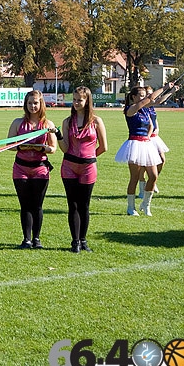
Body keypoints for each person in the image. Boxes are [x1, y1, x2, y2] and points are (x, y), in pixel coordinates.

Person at [58, 87, 107, 253]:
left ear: (88, 101)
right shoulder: (67, 121)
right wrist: (59, 136)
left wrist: (89, 158)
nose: (77, 103)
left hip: (88, 167)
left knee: (84, 205)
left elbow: (103, 147)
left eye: (80, 100)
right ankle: (75, 241)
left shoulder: (96, 121)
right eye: (74, 99)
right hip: (69, 166)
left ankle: (83, 240)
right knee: (73, 205)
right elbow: (65, 148)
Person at [7, 90, 57, 249]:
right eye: (29, 103)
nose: (32, 106)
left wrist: (42, 149)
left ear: (41, 104)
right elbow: (9, 146)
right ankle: (26, 239)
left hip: (40, 169)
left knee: (37, 205)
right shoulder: (17, 123)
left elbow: (53, 148)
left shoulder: (48, 125)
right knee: (25, 205)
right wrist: (21, 147)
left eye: (35, 103)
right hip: (20, 168)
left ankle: (36, 239)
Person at [114, 83, 174, 216]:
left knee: (153, 176)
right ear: (134, 97)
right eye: (141, 96)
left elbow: (157, 101)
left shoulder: (146, 109)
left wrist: (171, 90)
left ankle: (145, 205)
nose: (144, 98)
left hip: (146, 144)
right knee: (134, 178)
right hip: (134, 144)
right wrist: (164, 88)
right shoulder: (131, 109)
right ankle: (131, 208)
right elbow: (152, 97)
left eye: (144, 96)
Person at [137, 84, 178, 197]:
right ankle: (142, 189)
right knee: (143, 165)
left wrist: (172, 91)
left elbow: (155, 119)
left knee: (161, 160)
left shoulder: (151, 106)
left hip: (155, 137)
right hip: (145, 137)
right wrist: (169, 90)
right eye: (148, 93)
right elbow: (159, 101)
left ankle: (152, 182)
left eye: (151, 92)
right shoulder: (144, 105)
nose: (151, 95)